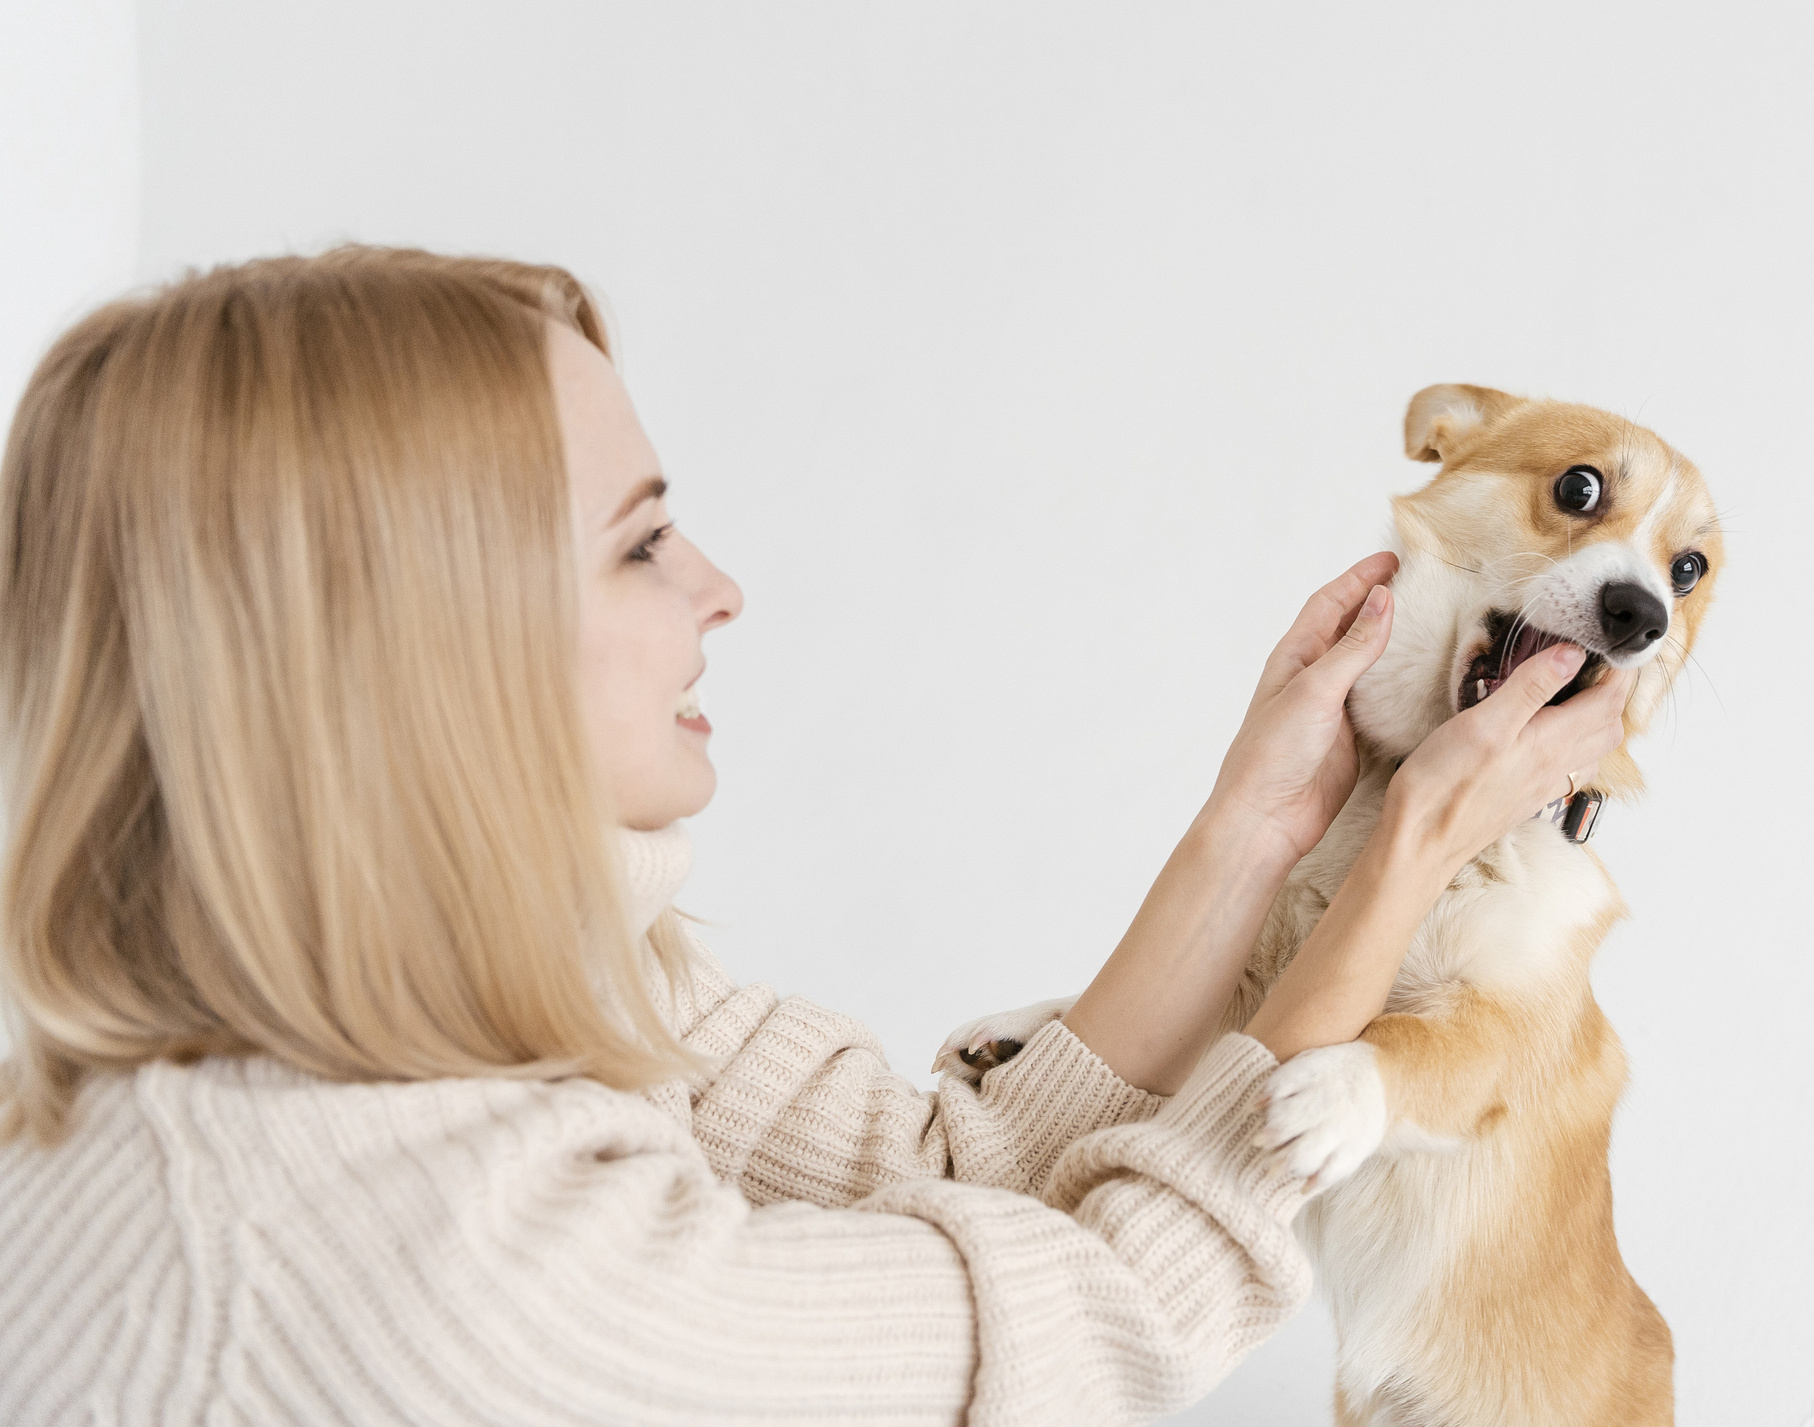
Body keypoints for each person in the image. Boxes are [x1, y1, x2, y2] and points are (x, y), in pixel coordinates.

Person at [0, 247, 1630, 1425]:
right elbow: (1073, 1345)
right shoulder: (405, 1262)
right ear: (424, 640)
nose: (719, 586)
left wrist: (1265, 831)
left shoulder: (501, 1008)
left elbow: (947, 1183)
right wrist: (1404, 849)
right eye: (640, 545)